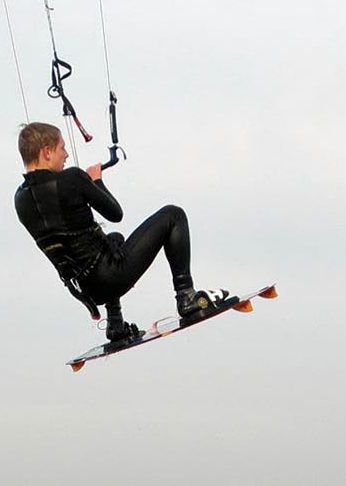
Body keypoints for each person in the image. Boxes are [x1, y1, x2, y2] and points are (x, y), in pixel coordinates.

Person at [13, 122, 228, 343]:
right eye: (61, 148)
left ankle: (115, 323)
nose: (66, 155)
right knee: (173, 215)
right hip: (111, 276)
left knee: (114, 239)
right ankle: (187, 297)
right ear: (46, 152)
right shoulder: (72, 178)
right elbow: (115, 213)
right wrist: (95, 181)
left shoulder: (19, 200)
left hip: (86, 291)